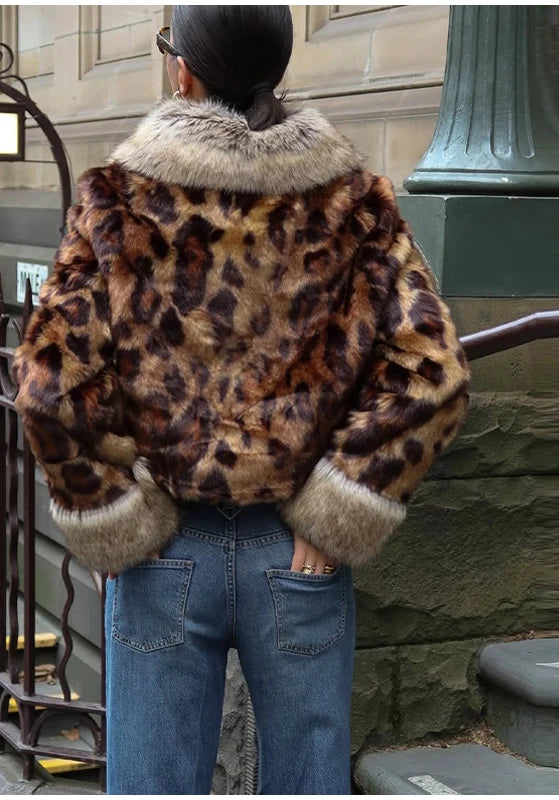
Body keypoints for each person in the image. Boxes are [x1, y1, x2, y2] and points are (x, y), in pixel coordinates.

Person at [10, 5, 470, 795]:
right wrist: (340, 506)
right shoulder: (351, 199)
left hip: (165, 548)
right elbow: (432, 372)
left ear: (182, 70)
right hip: (297, 554)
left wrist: (118, 517)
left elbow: (49, 387)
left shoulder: (118, 199)